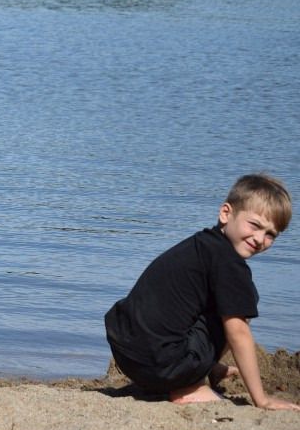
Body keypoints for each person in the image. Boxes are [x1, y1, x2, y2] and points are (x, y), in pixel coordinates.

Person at [105, 173, 300, 409]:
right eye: (255, 225)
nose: (260, 239)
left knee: (224, 301)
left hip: (126, 353)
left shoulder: (201, 244)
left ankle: (205, 368)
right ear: (226, 213)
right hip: (162, 367)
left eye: (270, 235)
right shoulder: (230, 264)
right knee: (239, 308)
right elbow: (238, 333)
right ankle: (190, 387)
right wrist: (262, 399)